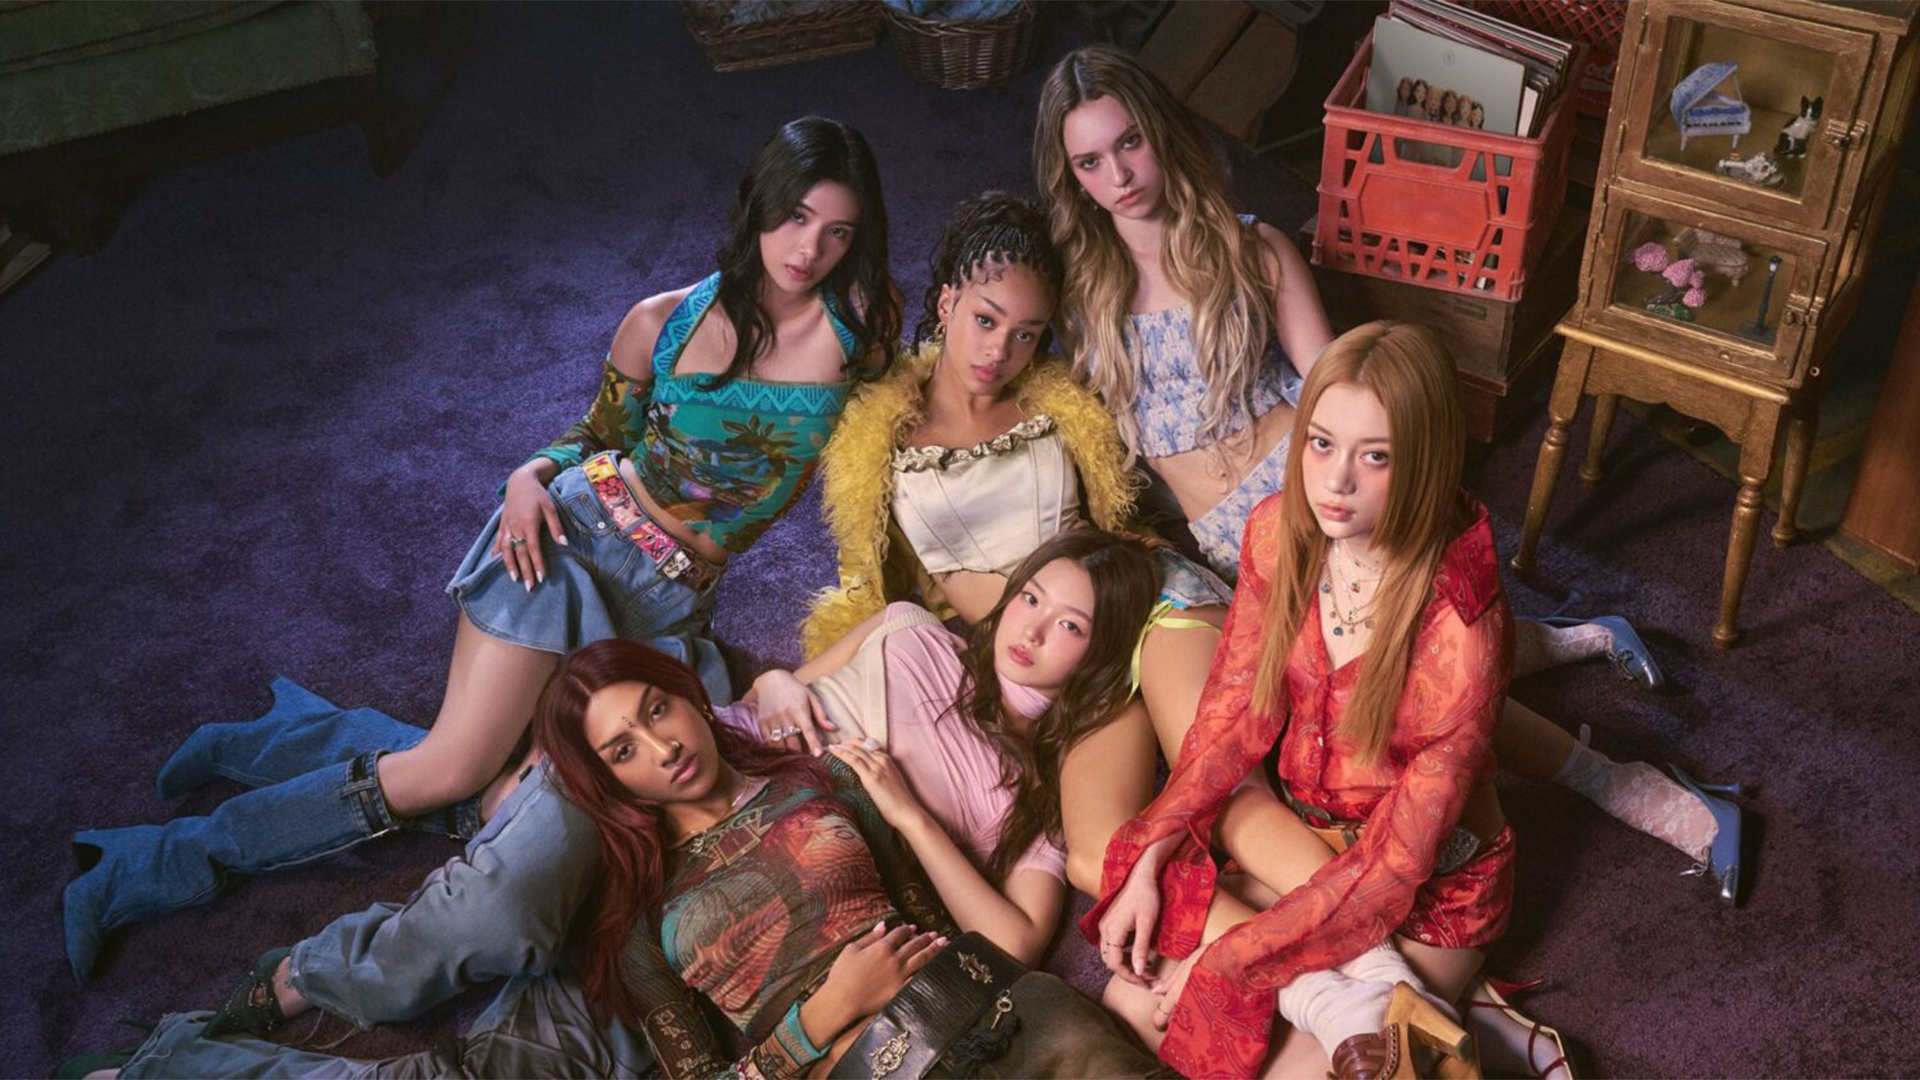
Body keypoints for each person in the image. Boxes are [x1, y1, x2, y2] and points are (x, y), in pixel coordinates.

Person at [60, 115, 903, 982]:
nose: (810, 250)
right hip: (570, 543)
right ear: (759, 203)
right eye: (795, 217)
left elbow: (910, 424)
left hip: (673, 608)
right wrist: (526, 476)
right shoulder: (662, 322)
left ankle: (290, 736)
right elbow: (595, 435)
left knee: (516, 800)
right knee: (452, 768)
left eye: (838, 231)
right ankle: (151, 862)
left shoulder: (860, 334)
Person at [1032, 44, 1746, 909]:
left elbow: (1341, 384)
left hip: (1311, 491)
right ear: (1070, 178)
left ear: (1161, 134)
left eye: (1130, 143)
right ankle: (1564, 639)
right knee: (1346, 700)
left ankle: (1625, 783)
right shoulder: (1083, 300)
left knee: (1403, 682)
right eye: (1090, 162)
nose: (1118, 175)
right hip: (1231, 540)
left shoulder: (1250, 249)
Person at [76, 634, 1174, 1079]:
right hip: (840, 1057)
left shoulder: (823, 780)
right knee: (470, 867)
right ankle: (242, 1003)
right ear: (602, 776)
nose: (665, 747)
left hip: (977, 1018)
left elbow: (972, 927)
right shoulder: (631, 902)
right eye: (625, 749)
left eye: (661, 712)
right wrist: (819, 1018)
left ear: (690, 695)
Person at [1090, 322, 1513, 1080]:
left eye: (1375, 456)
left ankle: (1447, 1018)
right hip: (1308, 843)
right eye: (1321, 443)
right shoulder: (1278, 531)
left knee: (1292, 1064)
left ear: (1426, 461)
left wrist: (1235, 959)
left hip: (1425, 887)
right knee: (1128, 993)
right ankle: (1444, 1016)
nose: (1334, 482)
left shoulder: (1464, 628)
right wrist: (1152, 850)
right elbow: (1234, 714)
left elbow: (1396, 865)